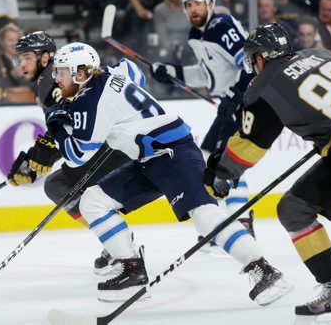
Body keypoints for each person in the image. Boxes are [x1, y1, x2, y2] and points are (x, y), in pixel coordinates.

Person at [48, 41, 293, 303]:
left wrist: (59, 128)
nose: (56, 78)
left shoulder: (88, 99)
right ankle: (132, 270)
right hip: (150, 158)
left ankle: (263, 270)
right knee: (93, 201)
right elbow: (135, 73)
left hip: (173, 153)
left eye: (61, 72)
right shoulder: (111, 74)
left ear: (81, 73)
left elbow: (76, 156)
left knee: (204, 214)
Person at [203, 23, 331, 319]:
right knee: (294, 206)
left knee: (294, 209)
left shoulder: (265, 85)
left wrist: (220, 174)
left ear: (260, 58)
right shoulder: (322, 54)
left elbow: (249, 146)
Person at [6, 31, 131, 275]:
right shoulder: (56, 78)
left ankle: (118, 245)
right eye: (19, 58)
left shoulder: (50, 81)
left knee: (57, 185)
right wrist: (34, 159)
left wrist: (38, 159)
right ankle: (116, 242)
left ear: (44, 58)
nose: (22, 64)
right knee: (59, 184)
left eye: (27, 57)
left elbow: (68, 124)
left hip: (112, 148)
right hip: (117, 144)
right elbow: (65, 125)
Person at [150, 0, 255, 246]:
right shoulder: (196, 36)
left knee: (224, 163)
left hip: (245, 101)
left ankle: (241, 222)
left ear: (209, 3)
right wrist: (174, 71)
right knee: (207, 159)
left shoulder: (222, 26)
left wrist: (238, 95)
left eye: (197, 3)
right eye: (188, 5)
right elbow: (206, 75)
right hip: (229, 102)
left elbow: (249, 63)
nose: (192, 9)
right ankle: (221, 223)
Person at [0, 23, 34, 102]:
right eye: (10, 40)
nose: (14, 43)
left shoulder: (28, 61)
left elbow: (36, 85)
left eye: (17, 40)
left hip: (28, 103)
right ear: (2, 42)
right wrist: (12, 76)